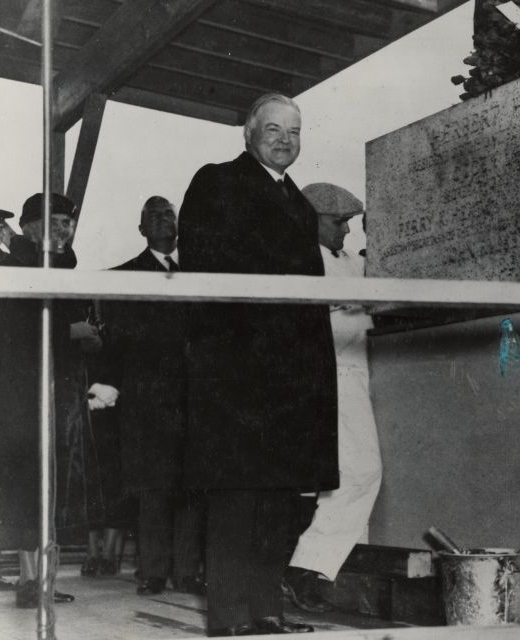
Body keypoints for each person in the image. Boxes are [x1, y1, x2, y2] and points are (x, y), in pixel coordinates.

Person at [179, 93, 337, 636]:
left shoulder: (301, 204)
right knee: (236, 495)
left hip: (291, 379)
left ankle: (266, 609)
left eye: (294, 132)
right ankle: (228, 618)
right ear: (248, 133)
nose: (284, 140)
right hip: (239, 372)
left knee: (279, 497)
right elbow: (206, 266)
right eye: (273, 129)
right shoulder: (217, 181)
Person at [0, 193, 118, 608]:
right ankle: (30, 579)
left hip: (54, 395)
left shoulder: (57, 267)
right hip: (18, 400)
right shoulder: (9, 269)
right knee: (27, 486)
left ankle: (37, 579)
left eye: (68, 223)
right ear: (29, 226)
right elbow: (11, 338)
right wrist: (72, 332)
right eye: (55, 222)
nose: (64, 231)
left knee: (45, 488)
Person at [95, 196, 204, 595]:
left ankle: (188, 572)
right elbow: (120, 341)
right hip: (147, 399)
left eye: (168, 213)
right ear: (141, 229)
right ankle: (154, 572)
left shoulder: (202, 272)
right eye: (152, 216)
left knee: (192, 485)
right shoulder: (125, 277)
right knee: (154, 487)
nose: (162, 220)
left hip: (194, 398)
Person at [282, 183, 382, 613]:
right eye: (337, 222)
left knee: (349, 474)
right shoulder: (304, 259)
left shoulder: (347, 262)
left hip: (356, 373)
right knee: (362, 471)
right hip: (330, 376)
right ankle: (306, 567)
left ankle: (315, 570)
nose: (345, 231)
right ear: (311, 220)